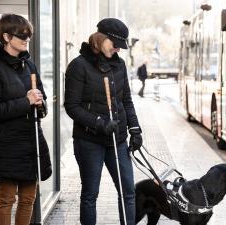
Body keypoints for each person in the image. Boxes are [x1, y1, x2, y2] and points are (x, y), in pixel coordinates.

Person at [64, 18, 143, 225]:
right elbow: (72, 106)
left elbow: (126, 100)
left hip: (117, 139)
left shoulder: (120, 64)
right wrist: (99, 122)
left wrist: (135, 129)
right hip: (89, 140)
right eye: (115, 44)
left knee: (128, 191)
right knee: (90, 195)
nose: (118, 49)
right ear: (100, 39)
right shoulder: (78, 66)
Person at [0, 14, 52, 225]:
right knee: (7, 198)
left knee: (29, 198)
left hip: (31, 141)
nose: (27, 38)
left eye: (28, 34)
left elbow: (42, 99)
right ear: (6, 36)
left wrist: (40, 103)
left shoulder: (29, 64)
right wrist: (25, 101)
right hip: (6, 144)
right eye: (22, 35)